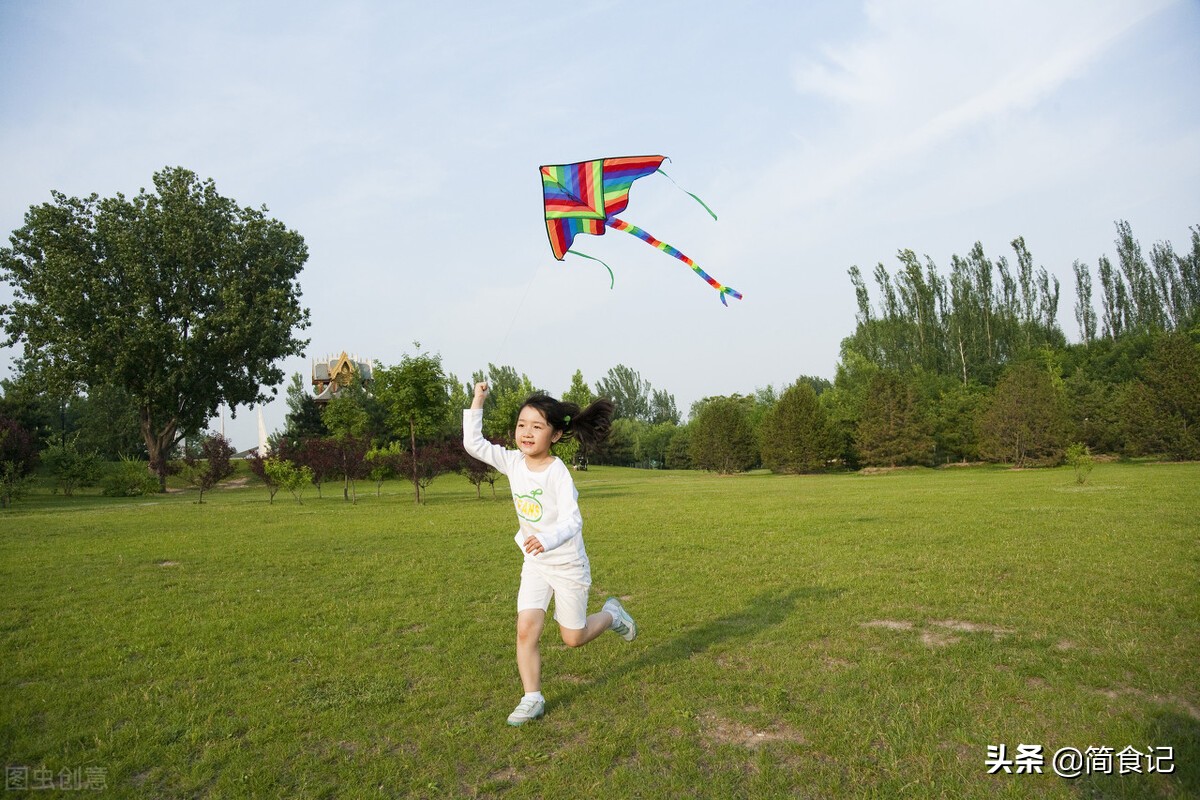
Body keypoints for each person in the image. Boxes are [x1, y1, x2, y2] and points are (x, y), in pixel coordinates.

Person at [463, 382, 637, 726]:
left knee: (573, 638)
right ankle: (532, 698)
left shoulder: (557, 473)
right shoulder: (513, 462)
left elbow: (573, 520)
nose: (526, 433)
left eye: (537, 427)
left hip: (568, 564)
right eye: (521, 424)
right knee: (526, 629)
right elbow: (473, 444)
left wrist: (547, 538)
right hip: (536, 564)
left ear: (555, 435)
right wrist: (478, 400)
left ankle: (612, 615)